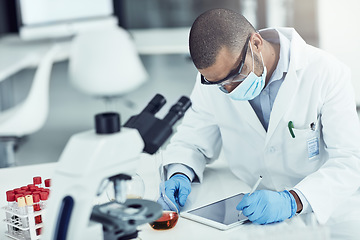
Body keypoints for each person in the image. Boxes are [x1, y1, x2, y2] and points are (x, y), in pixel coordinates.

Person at [157, 8, 360, 239]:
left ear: (255, 43)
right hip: (246, 212)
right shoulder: (216, 79)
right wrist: (179, 173)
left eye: (235, 75)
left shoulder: (326, 72)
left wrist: (292, 201)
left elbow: (349, 161)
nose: (229, 89)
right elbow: (192, 139)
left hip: (317, 212)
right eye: (220, 83)